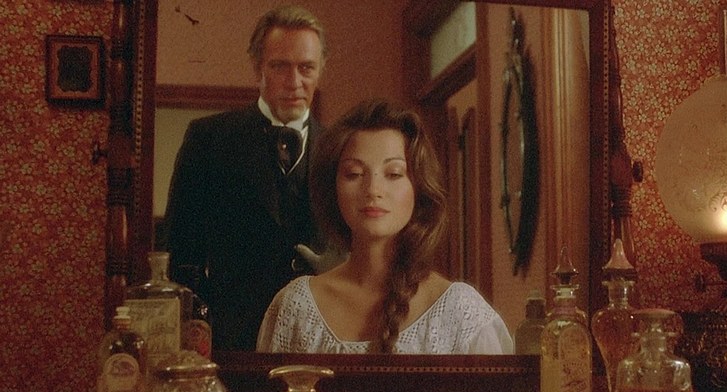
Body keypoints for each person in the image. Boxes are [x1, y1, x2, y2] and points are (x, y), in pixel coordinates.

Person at [256, 99, 513, 354]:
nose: (373, 190)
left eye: (394, 174)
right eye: (354, 174)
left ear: (419, 187)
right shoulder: (295, 307)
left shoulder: (462, 314)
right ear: (332, 188)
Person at [164, 5, 328, 351]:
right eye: (280, 66)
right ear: (257, 68)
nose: (294, 81)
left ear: (320, 70)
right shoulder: (208, 139)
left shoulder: (340, 148)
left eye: (306, 68)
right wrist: (202, 329)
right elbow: (181, 252)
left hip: (320, 334)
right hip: (231, 339)